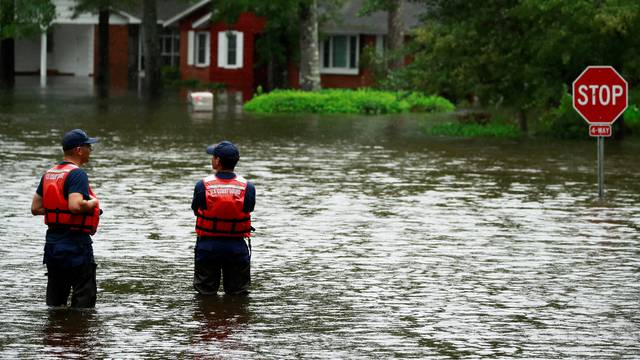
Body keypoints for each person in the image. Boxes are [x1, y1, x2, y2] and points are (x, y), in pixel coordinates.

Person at [31, 129, 101, 308]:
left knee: (55, 302)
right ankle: (78, 333)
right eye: (88, 147)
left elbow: (36, 208)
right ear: (79, 150)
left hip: (53, 245)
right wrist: (93, 203)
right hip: (76, 244)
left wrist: (57, 210)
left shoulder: (50, 173)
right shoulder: (77, 174)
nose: (90, 151)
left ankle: (54, 333)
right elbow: (75, 205)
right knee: (84, 304)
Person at [191, 141, 255, 295]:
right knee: (238, 295)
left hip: (208, 247)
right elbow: (249, 209)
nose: (212, 159)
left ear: (218, 161)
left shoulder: (202, 185)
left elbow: (196, 210)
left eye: (213, 157)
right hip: (236, 248)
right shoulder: (248, 187)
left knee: (205, 295)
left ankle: (207, 316)